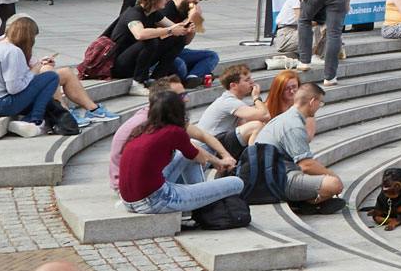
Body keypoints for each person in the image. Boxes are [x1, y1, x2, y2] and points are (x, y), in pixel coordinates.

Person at [114, 85, 241, 216]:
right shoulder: (174, 132)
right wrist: (219, 162)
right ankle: (202, 208)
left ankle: (199, 205)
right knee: (236, 183)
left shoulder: (143, 129)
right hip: (155, 201)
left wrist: (217, 162)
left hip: (129, 201)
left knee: (184, 155)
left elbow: (192, 153)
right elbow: (200, 158)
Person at [0, 16, 108, 136]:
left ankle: (37, 118)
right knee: (50, 77)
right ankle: (34, 120)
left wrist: (35, 69)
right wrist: (36, 70)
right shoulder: (12, 51)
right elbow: (14, 88)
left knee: (45, 82)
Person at [249, 83, 345, 208]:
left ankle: (306, 200)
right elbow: (306, 165)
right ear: (312, 101)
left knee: (320, 174)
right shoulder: (294, 125)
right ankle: (306, 204)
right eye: (320, 103)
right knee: (333, 184)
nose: (319, 107)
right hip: (275, 181)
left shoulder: (285, 118)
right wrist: (333, 176)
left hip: (268, 175)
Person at [198, 63, 267, 152]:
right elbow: (265, 115)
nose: (252, 82)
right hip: (207, 148)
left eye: (251, 78)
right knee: (256, 126)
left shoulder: (233, 101)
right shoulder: (229, 102)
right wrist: (256, 97)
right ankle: (254, 161)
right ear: (233, 85)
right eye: (247, 80)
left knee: (255, 124)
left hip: (215, 144)